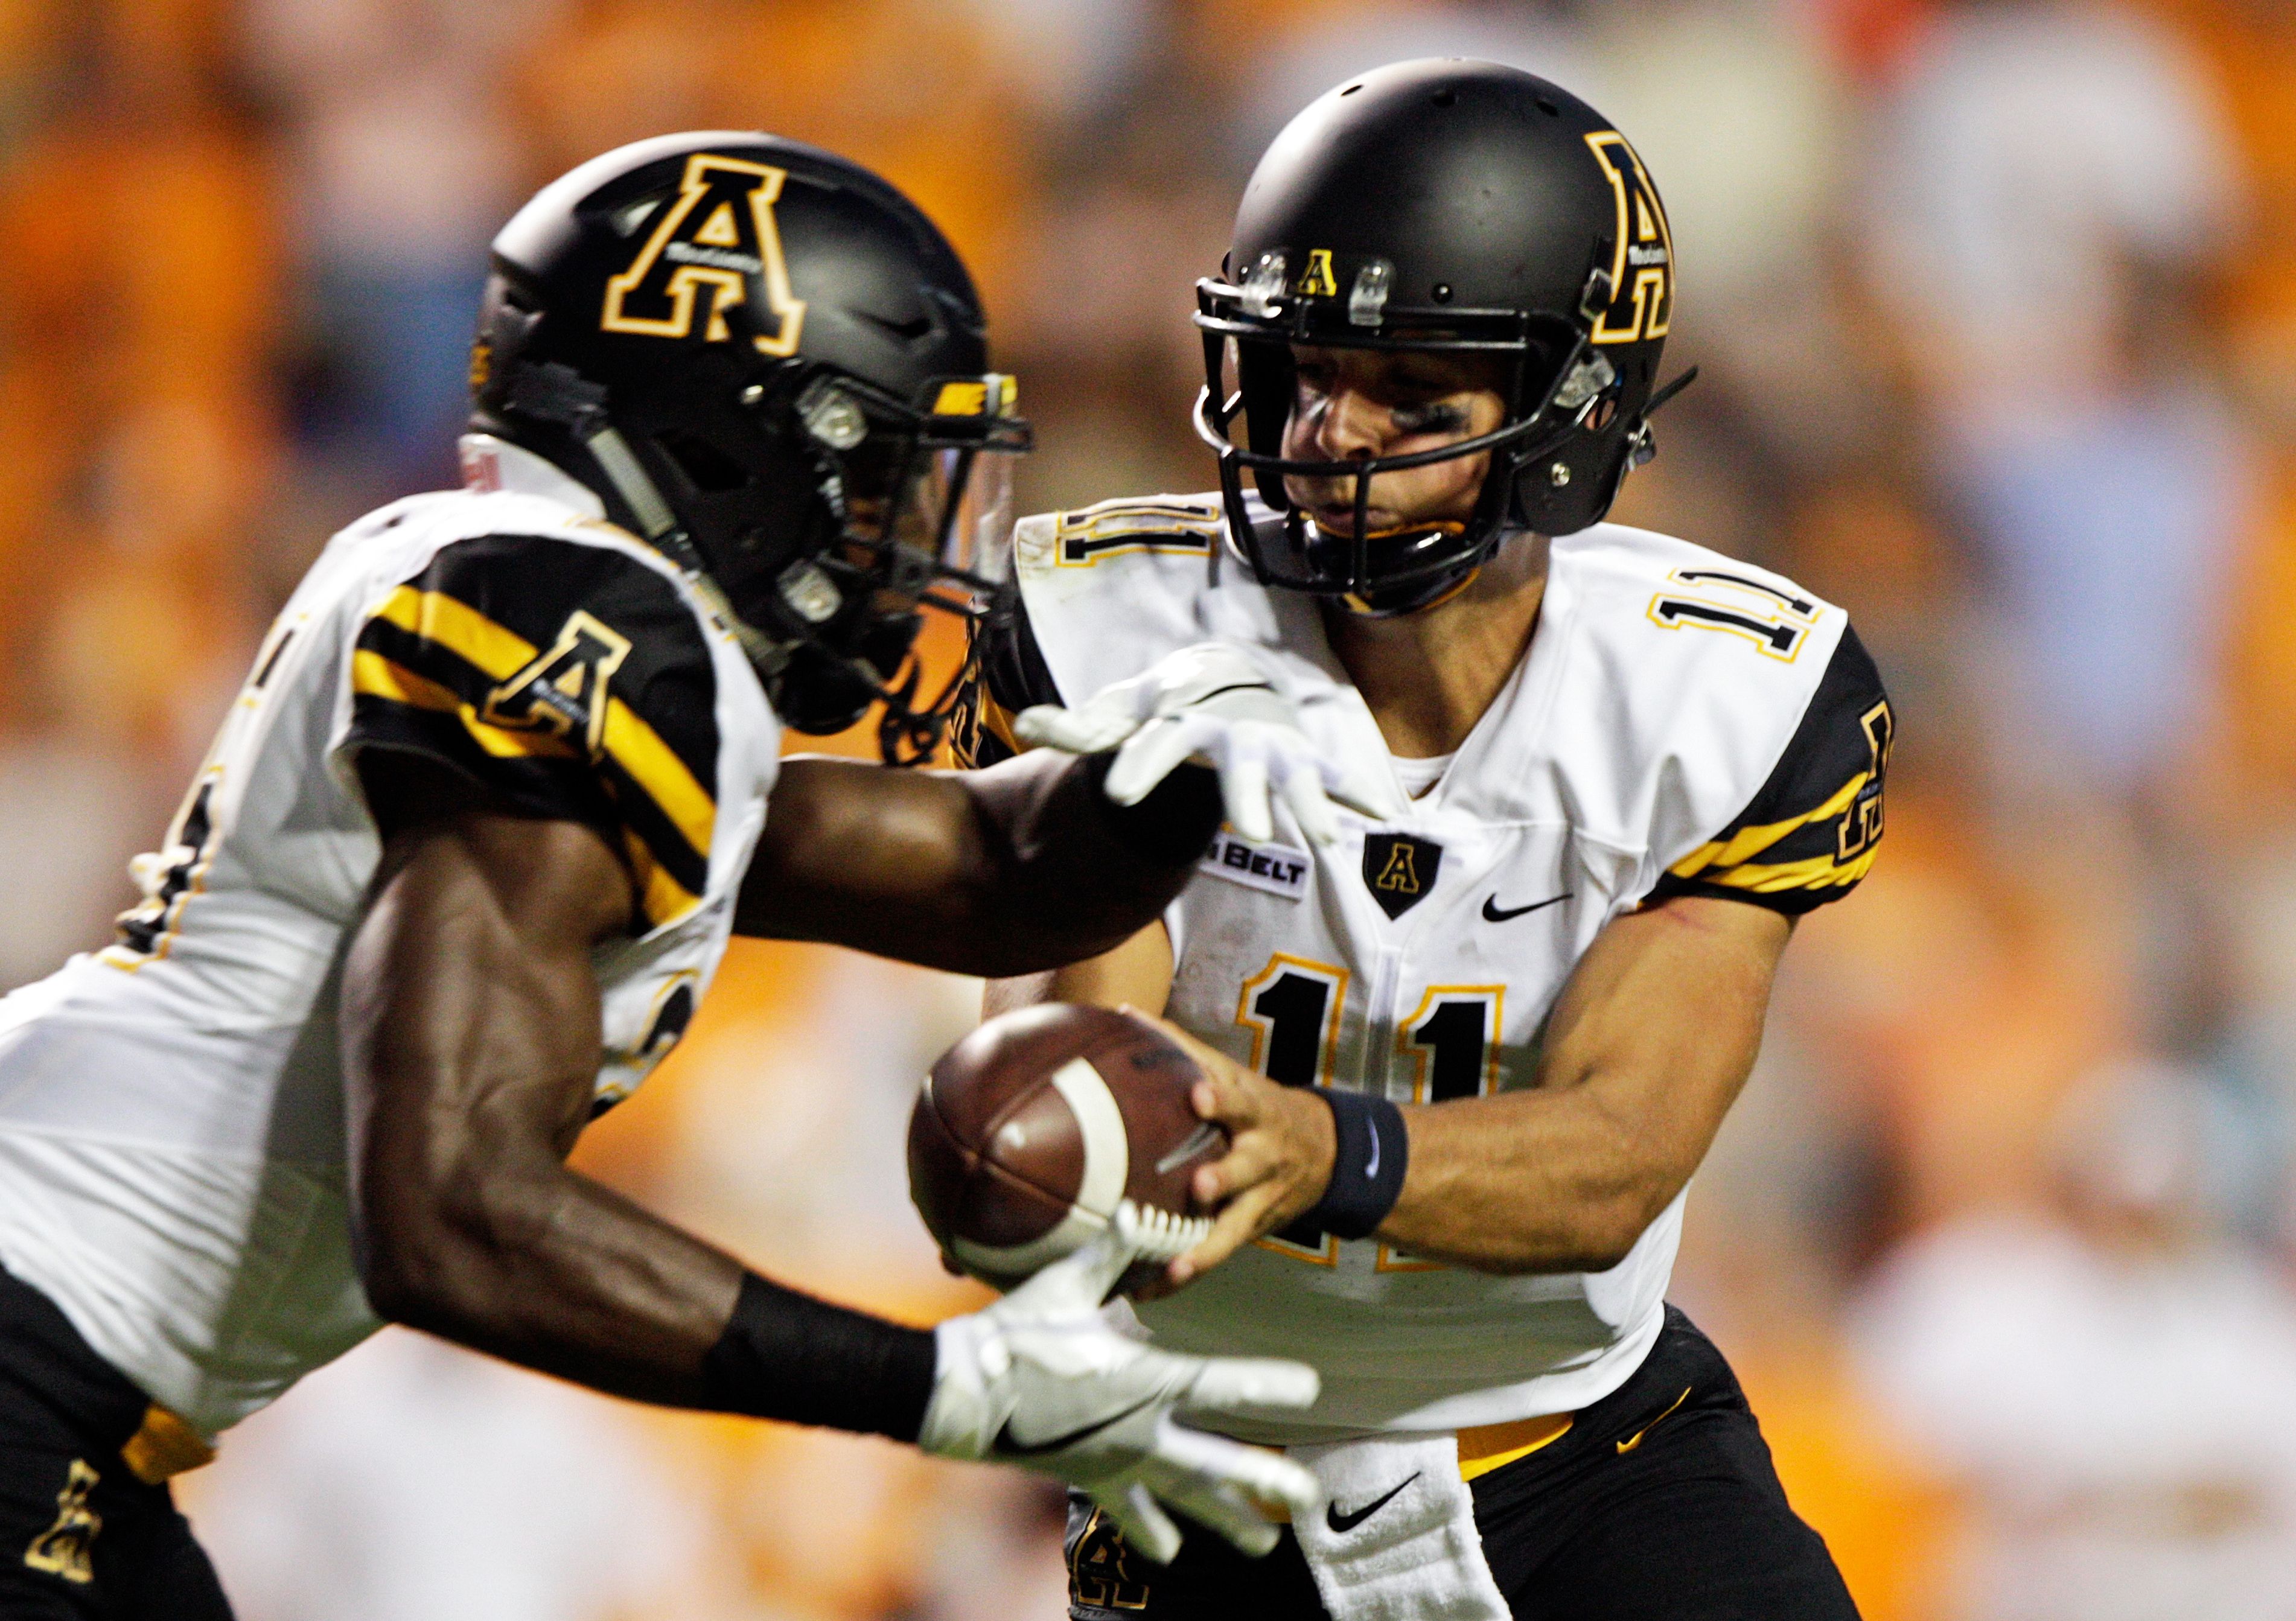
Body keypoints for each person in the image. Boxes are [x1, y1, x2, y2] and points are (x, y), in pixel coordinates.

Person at [0, 132, 1342, 1619]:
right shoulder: (575, 609)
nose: (901, 537)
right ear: (735, 441)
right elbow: (451, 1208)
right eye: (877, 468)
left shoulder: (560, 604)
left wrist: (1206, 754)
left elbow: (983, 871)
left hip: (73, 1393)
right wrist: (934, 1382)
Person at [967, 62, 1890, 1621]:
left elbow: (1614, 1155)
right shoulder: (1114, 632)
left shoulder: (1714, 699)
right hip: (1221, 1462)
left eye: (1413, 393)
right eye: (1306, 370)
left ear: (1567, 417)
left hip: (1591, 1445)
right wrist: (1061, 1155)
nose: (1329, 433)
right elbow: (1070, 1078)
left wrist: (1315, 1147)